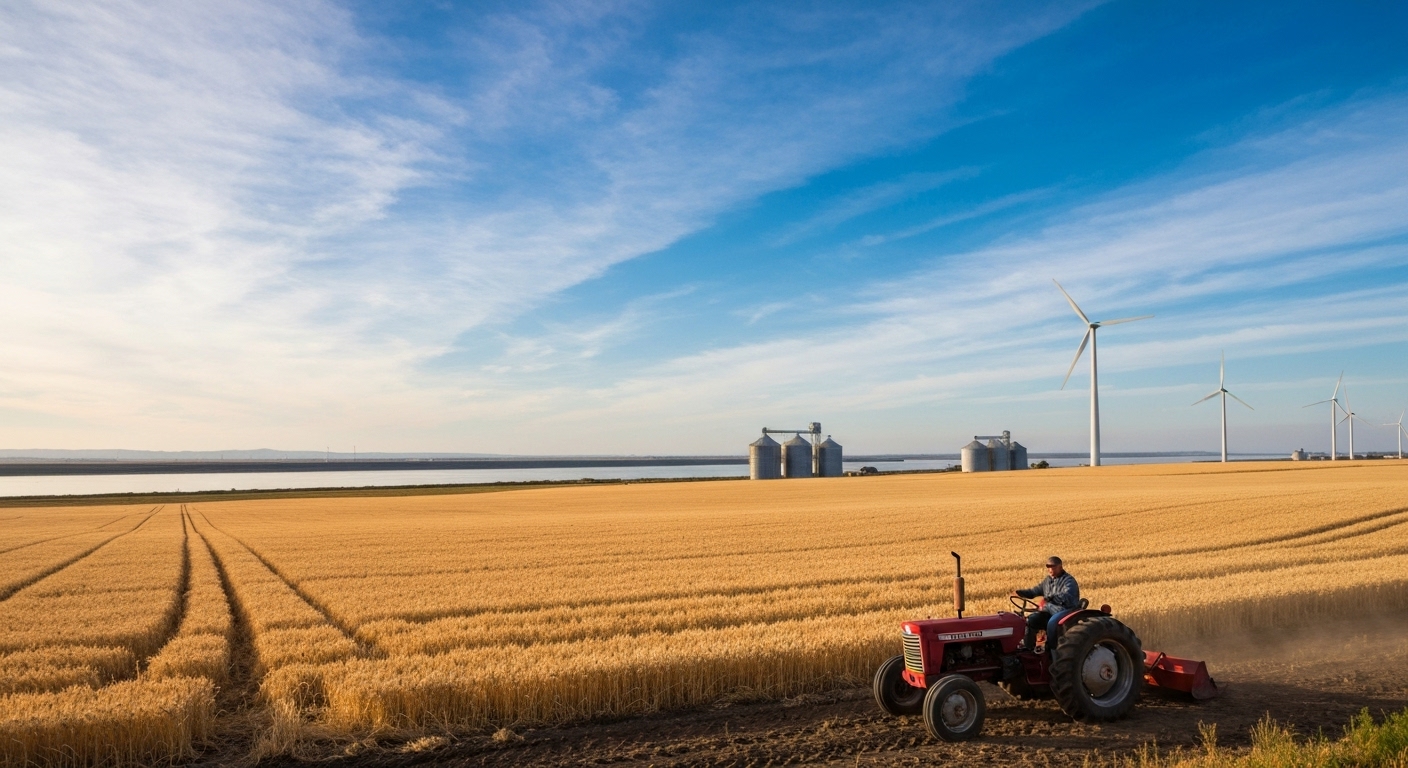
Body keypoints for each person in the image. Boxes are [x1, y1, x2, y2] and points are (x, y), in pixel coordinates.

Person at [1013, 556, 1080, 651]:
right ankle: (1028, 649)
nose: (1050, 569)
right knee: (1031, 620)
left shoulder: (1068, 581)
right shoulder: (1047, 581)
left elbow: (1066, 597)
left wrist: (1048, 599)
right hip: (1049, 610)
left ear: (1060, 567)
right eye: (1048, 567)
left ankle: (1052, 648)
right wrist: (1020, 593)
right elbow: (1034, 591)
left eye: (1053, 567)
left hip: (1065, 610)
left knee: (1049, 615)